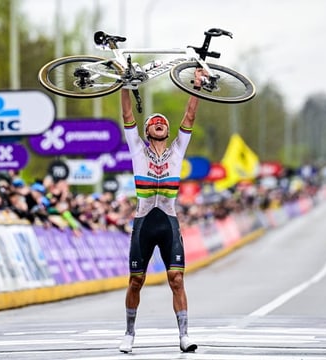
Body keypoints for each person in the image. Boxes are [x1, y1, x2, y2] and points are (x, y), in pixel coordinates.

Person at [117, 68, 206, 354]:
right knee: (136, 280)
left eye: (162, 122)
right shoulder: (137, 151)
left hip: (168, 221)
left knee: (176, 279)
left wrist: (196, 86)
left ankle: (184, 336)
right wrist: (123, 85)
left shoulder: (178, 149)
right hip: (144, 221)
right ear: (147, 132)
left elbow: (189, 117)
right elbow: (128, 117)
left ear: (167, 132)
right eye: (153, 122)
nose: (158, 123)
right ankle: (129, 334)